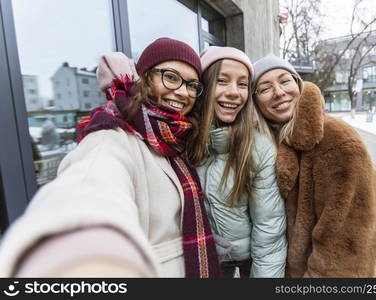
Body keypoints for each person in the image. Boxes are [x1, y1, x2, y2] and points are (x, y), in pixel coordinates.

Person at [0, 38, 221, 278]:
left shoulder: (176, 140)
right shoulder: (111, 136)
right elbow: (89, 188)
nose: (182, 91)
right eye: (170, 76)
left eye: (192, 85)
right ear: (145, 77)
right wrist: (82, 252)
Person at [251, 55, 376, 277]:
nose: (278, 92)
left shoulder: (337, 142)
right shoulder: (270, 143)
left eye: (285, 81)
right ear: (255, 102)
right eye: (265, 88)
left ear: (298, 85)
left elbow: (345, 249)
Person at [187, 47, 287, 278]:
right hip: (201, 259)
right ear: (203, 87)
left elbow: (269, 231)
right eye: (222, 80)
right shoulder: (184, 141)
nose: (234, 92)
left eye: (242, 84)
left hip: (246, 265)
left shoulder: (259, 149)